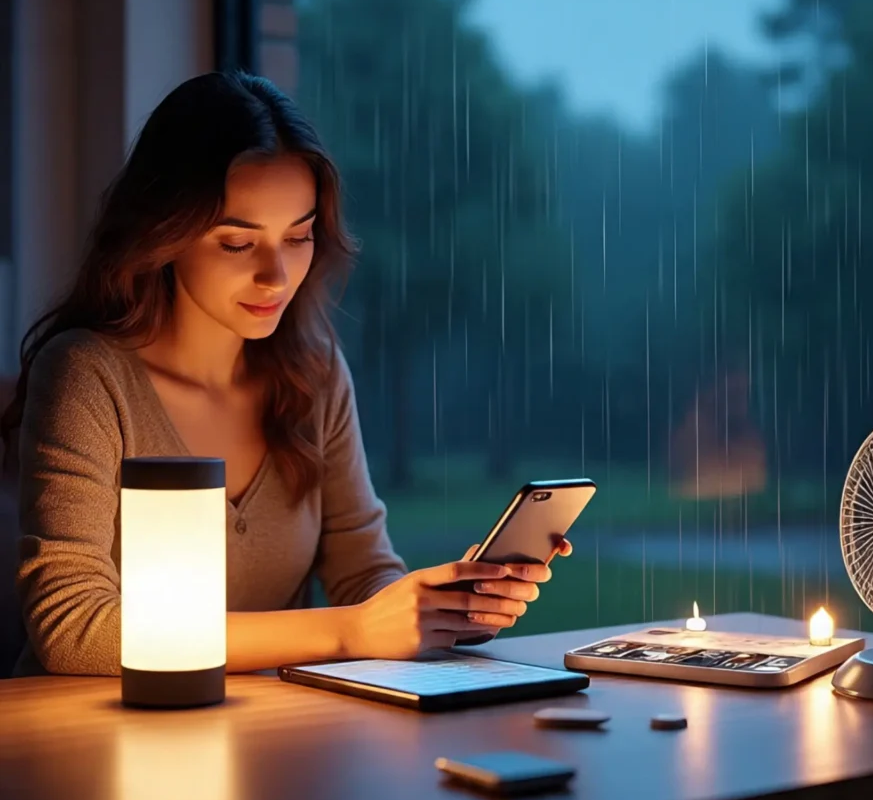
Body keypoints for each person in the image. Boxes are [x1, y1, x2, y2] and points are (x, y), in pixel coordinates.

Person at [0, 71, 571, 678]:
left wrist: (443, 606)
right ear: (164, 235)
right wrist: (348, 631)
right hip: (79, 738)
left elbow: (362, 572)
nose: (276, 275)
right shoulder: (87, 376)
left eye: (298, 236)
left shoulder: (312, 371)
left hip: (260, 734)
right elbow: (72, 628)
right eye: (237, 244)